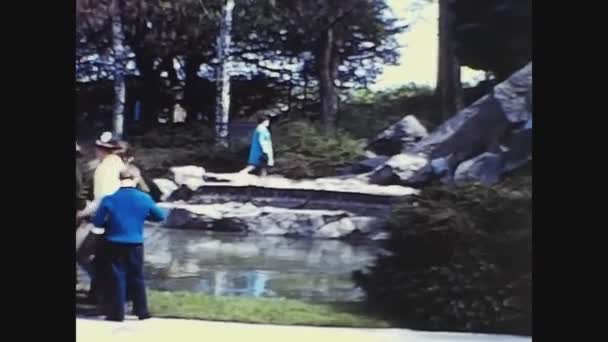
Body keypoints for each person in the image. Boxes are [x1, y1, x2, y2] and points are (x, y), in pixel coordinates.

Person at [92, 166, 166, 321]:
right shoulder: (144, 198)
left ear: (119, 179)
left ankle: (117, 313)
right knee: (137, 276)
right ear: (136, 179)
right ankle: (142, 311)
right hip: (135, 242)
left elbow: (97, 222)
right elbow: (160, 216)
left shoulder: (109, 199)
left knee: (117, 276)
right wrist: (143, 217)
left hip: (113, 242)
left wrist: (109, 224)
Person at [76, 132, 125, 305]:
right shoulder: (118, 165)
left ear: (100, 150)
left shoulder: (103, 169)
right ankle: (101, 292)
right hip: (117, 219)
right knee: (101, 257)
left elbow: (104, 198)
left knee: (81, 253)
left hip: (103, 219)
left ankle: (105, 288)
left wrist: (84, 213)